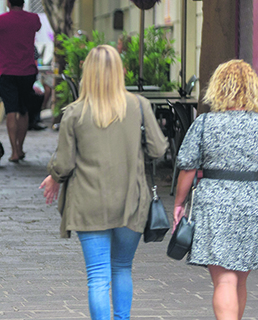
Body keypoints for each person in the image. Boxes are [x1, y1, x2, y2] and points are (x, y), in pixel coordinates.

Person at [40, 45, 168, 320]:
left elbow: (64, 163)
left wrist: (54, 177)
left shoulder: (74, 113)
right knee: (122, 267)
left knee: (98, 276)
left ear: (88, 74)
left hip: (88, 204)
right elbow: (158, 150)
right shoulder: (139, 106)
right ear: (120, 73)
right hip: (130, 201)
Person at [174, 59, 258, 320]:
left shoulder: (205, 123)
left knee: (224, 281)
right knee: (239, 280)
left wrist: (179, 204)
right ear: (254, 89)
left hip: (214, 201)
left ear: (217, 88)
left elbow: (187, 168)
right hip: (255, 202)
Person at [0, 0, 41, 162]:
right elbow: (37, 29)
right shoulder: (33, 19)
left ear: (8, 1)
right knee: (24, 110)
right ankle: (21, 147)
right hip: (27, 70)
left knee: (11, 110)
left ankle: (14, 151)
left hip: (7, 70)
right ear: (24, 1)